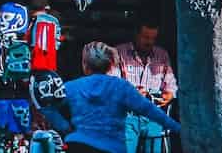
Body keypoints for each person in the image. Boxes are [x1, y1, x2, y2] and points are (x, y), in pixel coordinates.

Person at [39, 42, 178, 153]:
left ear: (85, 65)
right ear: (110, 66)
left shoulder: (72, 87)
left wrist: (65, 128)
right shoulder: (121, 87)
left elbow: (48, 107)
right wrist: (178, 128)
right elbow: (149, 110)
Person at [113, 20, 177, 153]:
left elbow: (171, 83)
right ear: (136, 34)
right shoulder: (118, 53)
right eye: (145, 37)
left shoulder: (162, 55)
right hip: (127, 117)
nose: (149, 42)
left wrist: (169, 94)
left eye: (153, 38)